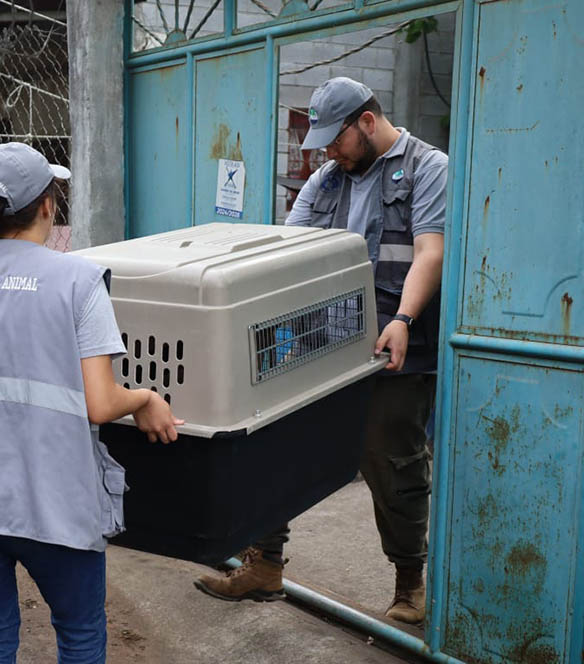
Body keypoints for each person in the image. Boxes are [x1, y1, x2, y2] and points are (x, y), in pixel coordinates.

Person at [0, 142, 183, 663]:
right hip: (50, 500)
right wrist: (146, 398)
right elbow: (100, 403)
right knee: (78, 632)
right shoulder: (78, 280)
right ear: (48, 208)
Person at [193, 77, 446, 625]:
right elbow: (287, 252)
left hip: (394, 345)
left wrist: (403, 319)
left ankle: (410, 584)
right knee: (273, 441)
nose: (329, 152)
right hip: (321, 342)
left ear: (367, 122)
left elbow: (431, 251)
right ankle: (264, 565)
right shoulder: (327, 180)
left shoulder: (428, 168)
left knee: (391, 459)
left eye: (336, 139)